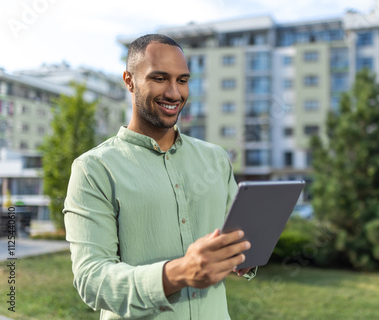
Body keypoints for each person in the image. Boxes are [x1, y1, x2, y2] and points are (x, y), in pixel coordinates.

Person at [63, 34, 255, 320]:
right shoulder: (94, 169)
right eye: (160, 78)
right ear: (129, 80)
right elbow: (93, 280)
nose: (174, 93)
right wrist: (180, 272)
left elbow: (237, 237)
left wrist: (245, 255)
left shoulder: (216, 158)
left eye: (182, 80)